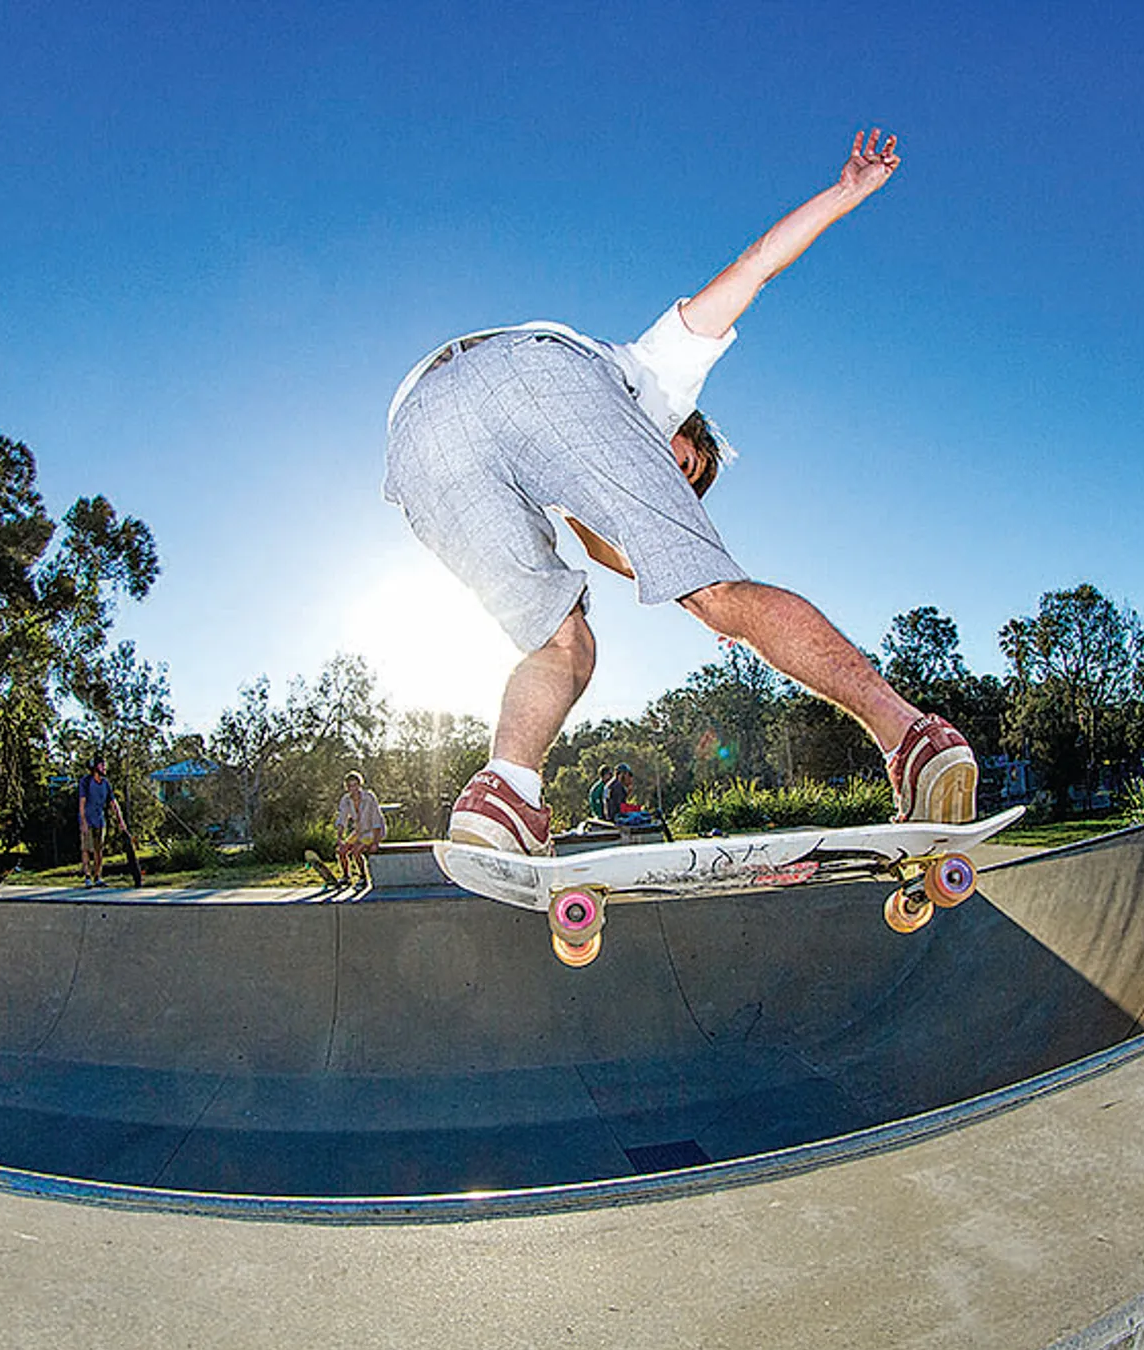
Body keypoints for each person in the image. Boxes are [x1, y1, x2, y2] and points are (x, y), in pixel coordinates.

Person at [384, 129, 976, 857]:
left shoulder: (578, 481)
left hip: (417, 432)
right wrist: (846, 193)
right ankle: (910, 735)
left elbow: (614, 553)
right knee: (718, 591)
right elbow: (754, 267)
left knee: (561, 641)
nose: (675, 480)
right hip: (537, 372)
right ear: (687, 427)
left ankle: (504, 794)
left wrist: (698, 592)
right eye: (687, 465)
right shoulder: (660, 375)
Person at [77, 756, 128, 888]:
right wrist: (83, 822)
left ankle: (98, 876)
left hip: (100, 820)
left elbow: (113, 803)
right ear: (95, 767)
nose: (104, 768)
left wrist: (120, 821)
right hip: (87, 820)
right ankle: (87, 876)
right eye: (102, 766)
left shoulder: (105, 784)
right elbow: (82, 803)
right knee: (86, 849)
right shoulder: (86, 782)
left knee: (99, 850)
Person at [334, 770, 388, 885]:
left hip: (373, 831)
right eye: (349, 786)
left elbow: (376, 820)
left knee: (356, 850)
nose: (352, 789)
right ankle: (346, 876)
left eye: (355, 785)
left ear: (359, 785)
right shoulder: (346, 800)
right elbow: (342, 819)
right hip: (359, 830)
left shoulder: (369, 797)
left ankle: (363, 877)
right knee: (341, 851)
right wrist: (339, 838)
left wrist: (375, 842)